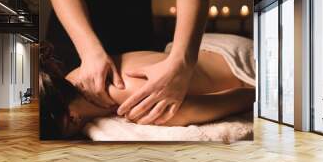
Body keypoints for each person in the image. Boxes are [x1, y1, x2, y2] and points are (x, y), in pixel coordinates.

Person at [43, 0, 209, 124]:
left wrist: (182, 61)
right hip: (73, 34)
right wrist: (89, 51)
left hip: (131, 25)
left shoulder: (126, 83)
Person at [39, 42, 255, 138]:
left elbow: (240, 98)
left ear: (72, 120)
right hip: (203, 47)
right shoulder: (68, 80)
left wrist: (257, 94)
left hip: (238, 62)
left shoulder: (128, 92)